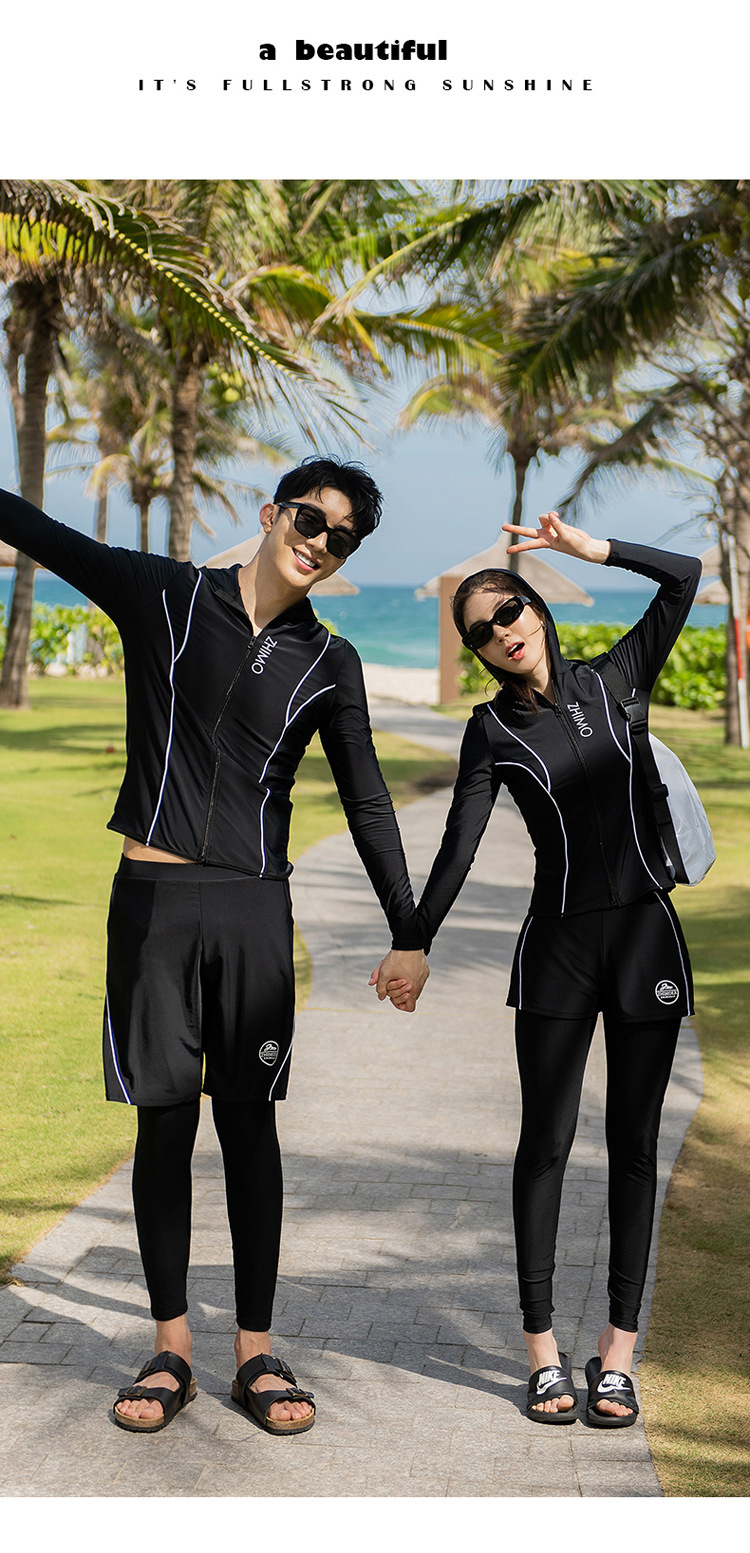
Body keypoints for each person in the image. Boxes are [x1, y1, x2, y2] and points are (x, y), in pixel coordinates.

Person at [0, 458, 428, 1436]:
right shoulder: (163, 594)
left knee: (248, 1129)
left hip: (253, 912)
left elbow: (367, 800)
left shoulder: (331, 662)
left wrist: (409, 932)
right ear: (273, 512)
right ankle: (171, 1349)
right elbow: (40, 533)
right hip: (153, 903)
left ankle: (256, 1353)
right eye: (311, 519)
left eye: (343, 537)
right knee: (162, 1127)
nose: (320, 542)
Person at [376, 510, 700, 1428]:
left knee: (635, 1147)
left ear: (538, 609)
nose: (502, 631)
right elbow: (459, 845)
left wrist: (595, 551)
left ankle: (618, 1355)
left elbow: (683, 576)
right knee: (546, 1145)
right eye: (481, 629)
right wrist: (414, 937)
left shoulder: (616, 678)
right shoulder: (490, 731)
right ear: (479, 652)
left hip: (645, 941)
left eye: (509, 610)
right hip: (557, 950)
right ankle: (543, 1354)